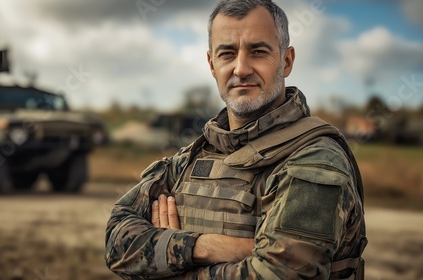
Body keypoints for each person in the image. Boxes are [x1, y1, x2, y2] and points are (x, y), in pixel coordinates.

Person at [105, 0, 367, 279]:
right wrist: (199, 247)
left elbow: (278, 274)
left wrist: (163, 263)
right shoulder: (191, 158)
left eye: (258, 51)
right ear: (212, 64)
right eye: (227, 53)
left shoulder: (315, 160)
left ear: (286, 61)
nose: (241, 69)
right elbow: (115, 244)